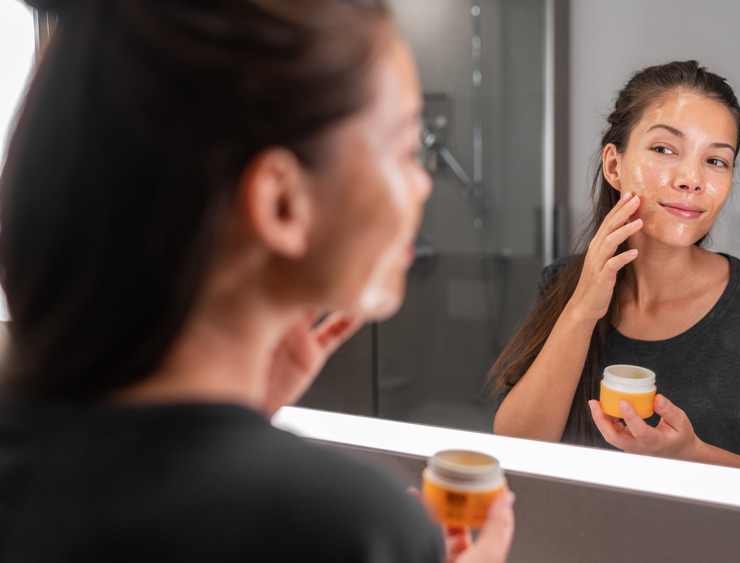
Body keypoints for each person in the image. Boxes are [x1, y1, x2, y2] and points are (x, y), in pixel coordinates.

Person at [0, 0, 514, 561]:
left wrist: (240, 416)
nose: (422, 184)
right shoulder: (347, 528)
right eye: (405, 149)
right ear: (281, 202)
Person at [489, 61, 740, 478]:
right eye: (665, 150)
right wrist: (581, 309)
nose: (692, 179)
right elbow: (514, 449)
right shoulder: (562, 283)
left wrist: (691, 455)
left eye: (716, 161)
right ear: (613, 165)